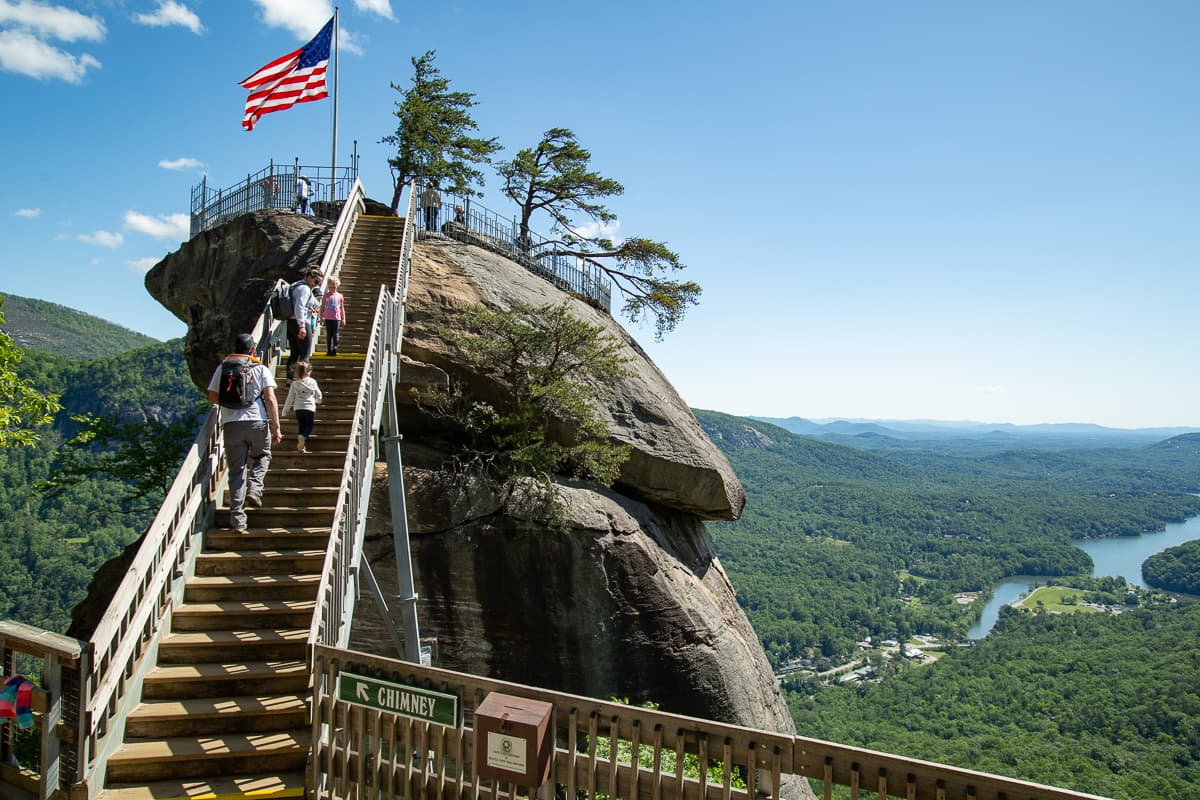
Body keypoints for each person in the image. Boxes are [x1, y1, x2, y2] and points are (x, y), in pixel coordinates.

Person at [206, 333, 282, 533]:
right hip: (257, 422)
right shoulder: (260, 369)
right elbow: (271, 399)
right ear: (253, 350)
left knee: (237, 472)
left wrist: (232, 403)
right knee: (262, 456)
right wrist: (276, 427)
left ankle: (238, 520)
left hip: (232, 425)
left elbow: (212, 396)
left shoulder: (223, 368)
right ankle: (255, 489)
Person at [286, 268, 322, 380]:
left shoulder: (295, 285)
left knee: (294, 353)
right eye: (316, 282)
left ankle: (290, 381)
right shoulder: (305, 289)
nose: (317, 285)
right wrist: (302, 326)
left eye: (319, 283)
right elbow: (299, 307)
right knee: (305, 354)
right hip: (301, 323)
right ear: (309, 277)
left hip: (290, 322)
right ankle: (301, 380)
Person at [281, 360, 322, 453]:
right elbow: (318, 394)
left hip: (298, 408)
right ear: (308, 372)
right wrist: (318, 400)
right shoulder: (312, 382)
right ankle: (303, 437)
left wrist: (285, 411)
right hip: (309, 408)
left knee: (301, 425)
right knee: (309, 426)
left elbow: (290, 398)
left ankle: (302, 446)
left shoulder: (294, 384)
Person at [321, 277, 346, 356]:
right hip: (328, 317)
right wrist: (321, 317)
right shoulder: (326, 296)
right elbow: (322, 307)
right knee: (329, 334)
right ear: (328, 286)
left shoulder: (340, 296)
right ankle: (328, 349)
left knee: (335, 333)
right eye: (331, 286)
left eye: (334, 286)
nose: (333, 288)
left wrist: (343, 318)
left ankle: (334, 348)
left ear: (337, 285)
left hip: (336, 318)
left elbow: (342, 308)